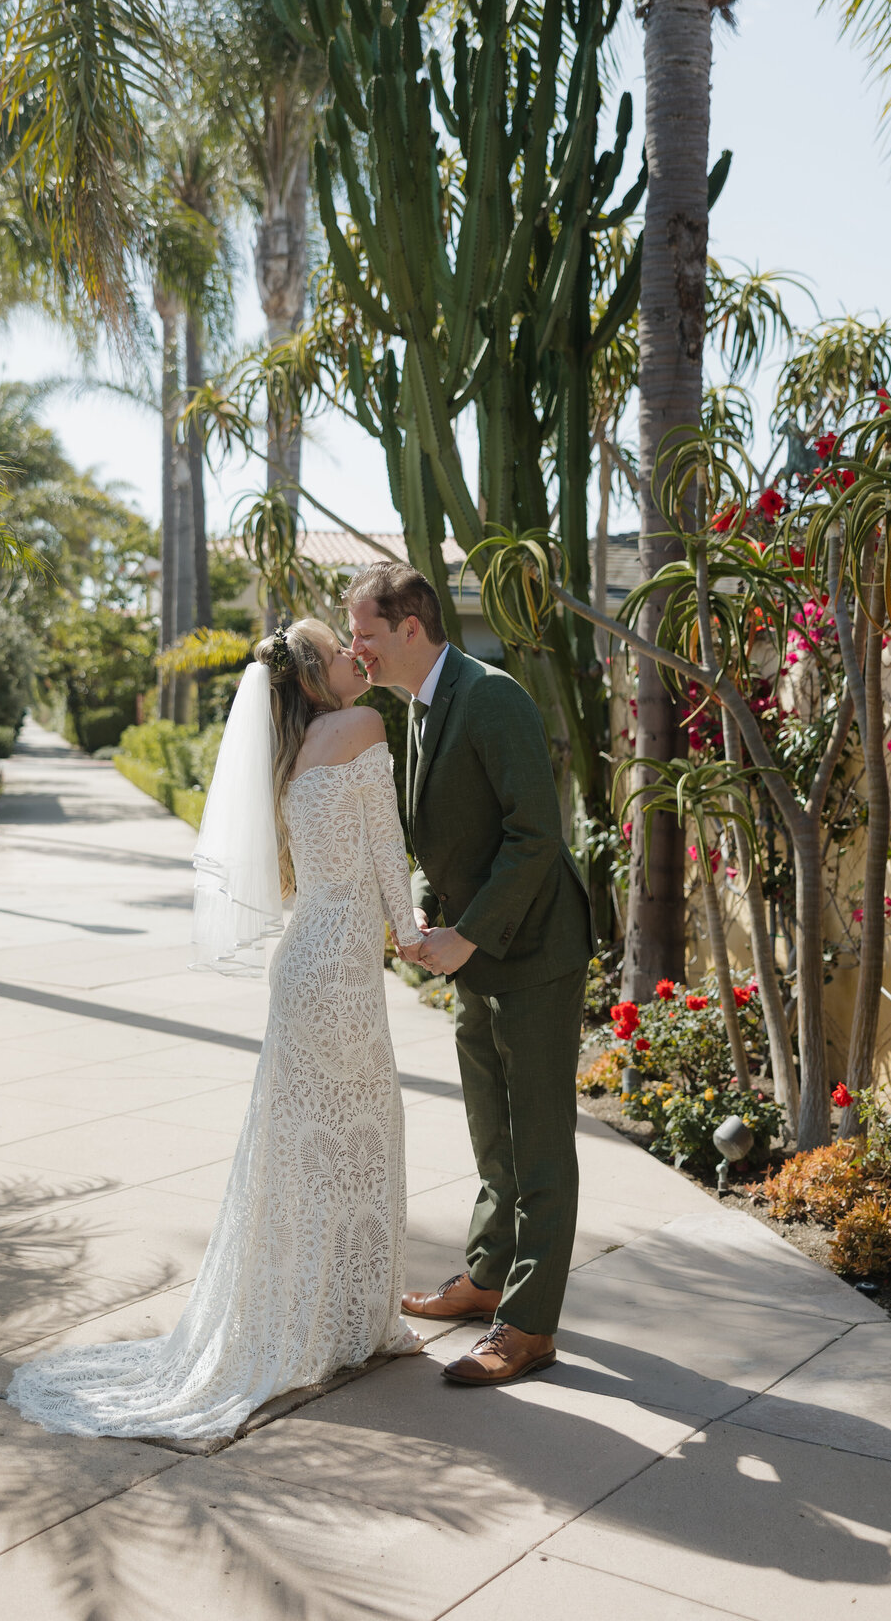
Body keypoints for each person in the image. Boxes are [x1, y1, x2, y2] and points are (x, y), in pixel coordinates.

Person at [7, 618, 426, 1442]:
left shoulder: (290, 754)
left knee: (299, 1150)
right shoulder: (365, 726)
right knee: (359, 1138)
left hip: (303, 963)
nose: (357, 655)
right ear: (314, 678)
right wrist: (413, 937)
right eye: (342, 651)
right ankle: (350, 1324)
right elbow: (387, 848)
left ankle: (303, 1323)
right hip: (341, 970)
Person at [347, 562, 594, 1387]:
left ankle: (529, 1326)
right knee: (492, 1133)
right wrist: (427, 914)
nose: (358, 651)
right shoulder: (415, 712)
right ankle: (488, 1277)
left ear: (411, 627)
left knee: (540, 1143)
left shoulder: (492, 698)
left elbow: (536, 836)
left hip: (533, 954)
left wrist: (471, 936)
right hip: (475, 956)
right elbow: (440, 839)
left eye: (367, 635)